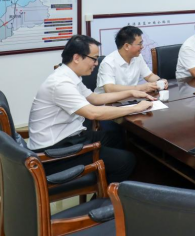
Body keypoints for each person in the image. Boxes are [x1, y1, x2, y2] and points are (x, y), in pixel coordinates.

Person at [27, 35, 156, 183]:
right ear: (76, 58)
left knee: (119, 137)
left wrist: (131, 92)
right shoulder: (61, 83)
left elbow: (95, 98)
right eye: (94, 58)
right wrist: (135, 108)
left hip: (70, 137)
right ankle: (106, 194)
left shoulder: (71, 76)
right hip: (55, 152)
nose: (96, 63)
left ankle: (108, 182)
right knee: (126, 161)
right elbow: (92, 112)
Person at [96, 26, 167, 94]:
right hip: (109, 101)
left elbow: (149, 76)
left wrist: (159, 81)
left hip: (131, 99)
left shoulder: (138, 57)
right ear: (127, 46)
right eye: (139, 44)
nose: (142, 46)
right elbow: (109, 89)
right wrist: (140, 88)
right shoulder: (108, 62)